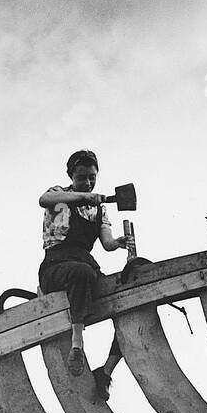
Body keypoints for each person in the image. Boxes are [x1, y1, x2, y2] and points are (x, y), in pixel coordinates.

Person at [38, 150, 129, 381]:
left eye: (92, 177)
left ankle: (106, 372)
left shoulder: (99, 208)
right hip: (56, 265)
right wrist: (82, 196)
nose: (87, 183)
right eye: (81, 178)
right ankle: (77, 344)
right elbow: (43, 200)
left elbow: (106, 243)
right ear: (71, 176)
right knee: (82, 273)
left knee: (124, 296)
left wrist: (117, 243)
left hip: (85, 263)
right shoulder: (60, 194)